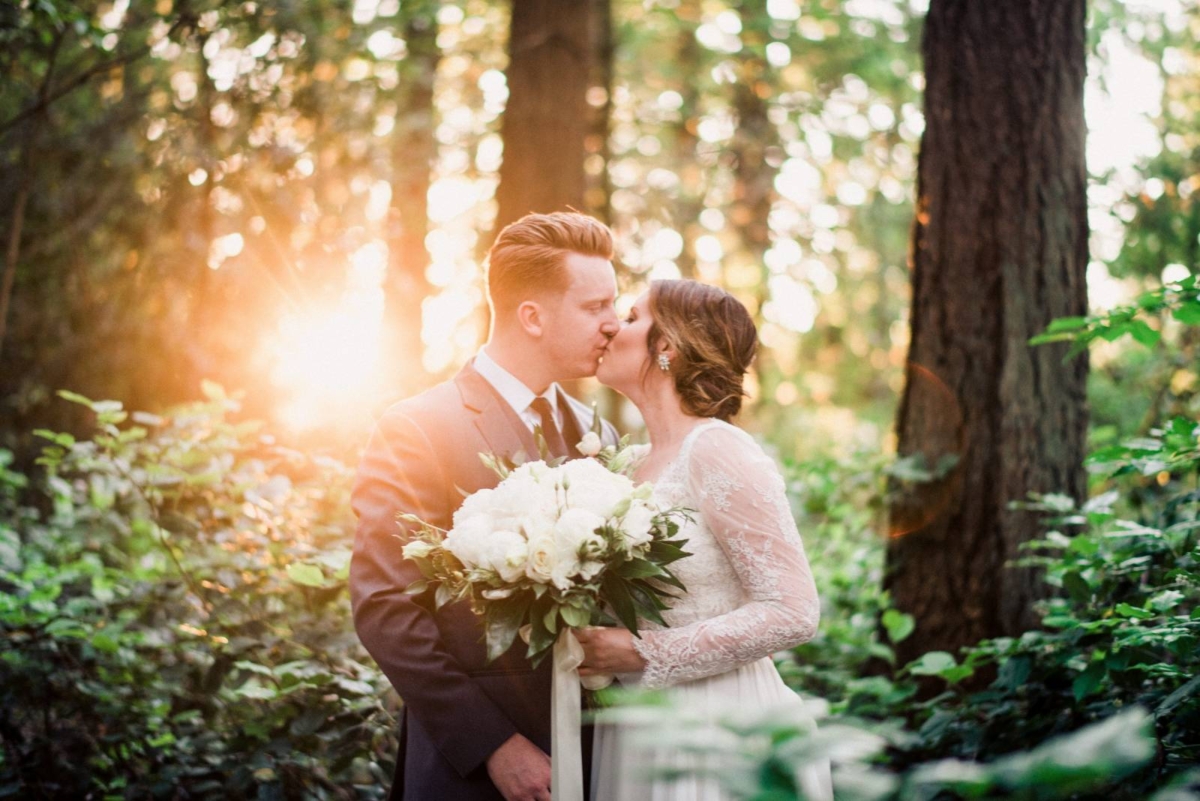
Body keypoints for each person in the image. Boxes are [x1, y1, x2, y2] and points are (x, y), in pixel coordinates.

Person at [350, 211, 621, 801]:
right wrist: (493, 745)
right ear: (532, 316)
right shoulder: (416, 428)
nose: (614, 324)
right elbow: (385, 609)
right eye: (595, 307)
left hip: (596, 755)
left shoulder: (595, 433)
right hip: (472, 774)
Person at [576, 279, 833, 801]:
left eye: (630, 317)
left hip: (721, 727)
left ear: (666, 345)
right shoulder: (625, 465)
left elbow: (793, 610)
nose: (611, 327)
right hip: (637, 729)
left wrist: (645, 652)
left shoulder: (717, 448)